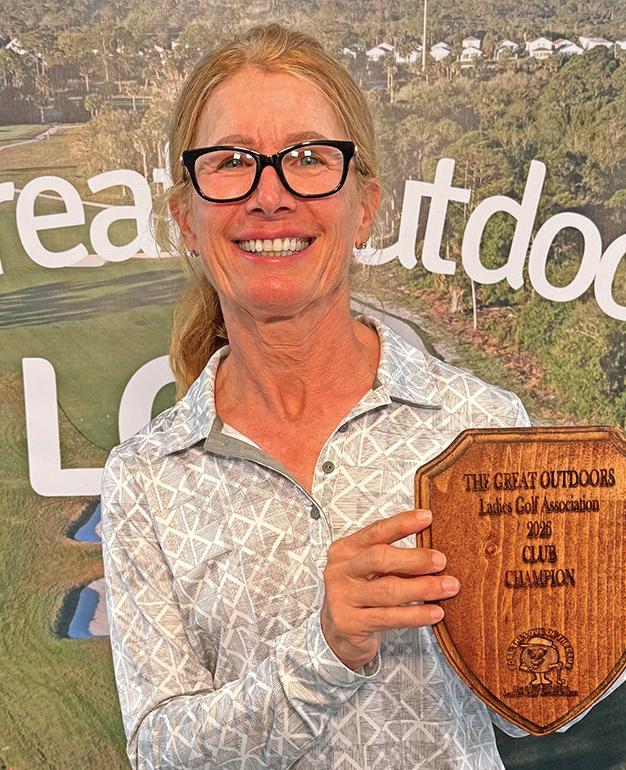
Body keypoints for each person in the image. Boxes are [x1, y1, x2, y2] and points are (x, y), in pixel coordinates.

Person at [100, 23, 622, 770]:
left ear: (365, 206)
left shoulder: (479, 425)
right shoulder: (146, 478)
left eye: (309, 158)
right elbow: (159, 751)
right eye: (231, 163)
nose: (269, 195)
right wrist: (327, 652)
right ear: (187, 215)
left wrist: (604, 592)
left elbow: (528, 705)